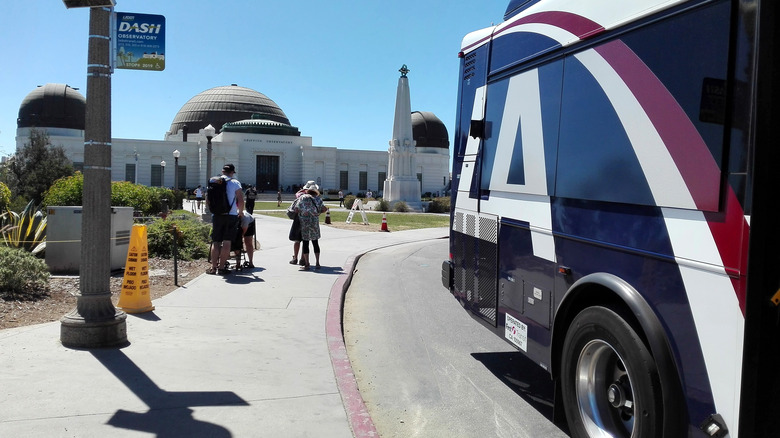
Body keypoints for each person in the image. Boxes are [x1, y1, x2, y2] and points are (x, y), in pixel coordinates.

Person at [208, 164, 244, 275]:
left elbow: (208, 199)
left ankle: (213, 268)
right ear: (232, 172)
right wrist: (241, 212)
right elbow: (240, 200)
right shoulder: (235, 183)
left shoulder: (213, 181)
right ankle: (222, 268)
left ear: (222, 171)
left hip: (217, 215)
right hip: (231, 215)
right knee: (227, 241)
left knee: (216, 242)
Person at [295, 182, 325, 270]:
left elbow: (296, 209)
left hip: (304, 222)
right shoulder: (318, 199)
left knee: (305, 243)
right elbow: (322, 209)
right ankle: (317, 263)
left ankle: (307, 264)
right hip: (314, 222)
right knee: (315, 242)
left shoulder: (302, 197)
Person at [288, 184, 309, 266]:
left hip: (298, 220)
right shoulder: (313, 198)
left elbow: (296, 209)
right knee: (305, 241)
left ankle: (295, 258)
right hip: (307, 221)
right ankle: (302, 259)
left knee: (297, 241)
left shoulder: (300, 196)